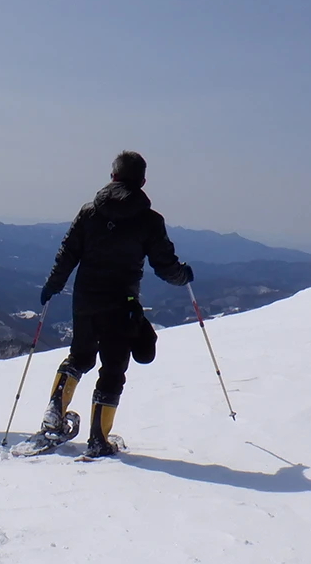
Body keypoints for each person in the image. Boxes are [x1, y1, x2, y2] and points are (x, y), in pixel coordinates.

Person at [38, 151, 194, 458]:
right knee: (112, 370)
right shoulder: (150, 220)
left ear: (112, 176)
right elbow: (165, 266)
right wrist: (183, 275)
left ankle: (54, 410)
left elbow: (67, 253)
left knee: (79, 356)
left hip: (85, 298)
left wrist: (53, 286)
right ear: (143, 182)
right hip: (122, 304)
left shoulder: (89, 212)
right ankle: (99, 439)